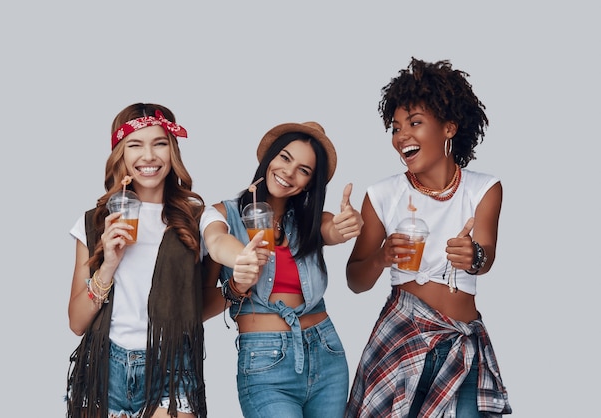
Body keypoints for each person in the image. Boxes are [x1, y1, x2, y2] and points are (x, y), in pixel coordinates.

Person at [344, 58, 512, 418]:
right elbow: (355, 279)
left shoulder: (484, 189)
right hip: (400, 337)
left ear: (449, 128)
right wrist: (381, 258)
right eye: (396, 127)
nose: (401, 135)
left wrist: (474, 256)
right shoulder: (382, 195)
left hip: (461, 341)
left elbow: (487, 254)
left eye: (415, 123)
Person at [66, 103, 233, 418]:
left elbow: (219, 245)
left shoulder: (196, 216)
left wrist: (240, 271)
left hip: (171, 366)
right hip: (103, 367)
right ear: (120, 153)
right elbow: (76, 322)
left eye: (159, 143)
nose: (149, 156)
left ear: (173, 151)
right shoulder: (94, 222)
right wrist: (110, 264)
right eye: (135, 145)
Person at [201, 121, 364, 418]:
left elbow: (332, 229)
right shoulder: (224, 215)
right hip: (265, 362)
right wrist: (236, 285)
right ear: (269, 158)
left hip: (326, 351)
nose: (289, 172)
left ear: (309, 183)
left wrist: (345, 226)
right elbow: (199, 307)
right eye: (285, 158)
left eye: (304, 170)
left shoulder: (308, 222)